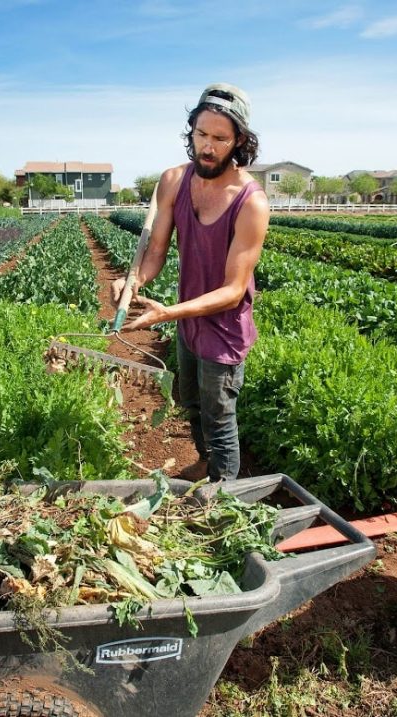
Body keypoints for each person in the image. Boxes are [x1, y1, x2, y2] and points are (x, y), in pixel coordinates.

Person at [111, 82, 270, 482]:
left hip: (224, 326)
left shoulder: (250, 202)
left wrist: (167, 313)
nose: (208, 147)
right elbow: (156, 253)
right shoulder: (173, 181)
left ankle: (225, 492)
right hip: (187, 321)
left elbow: (234, 291)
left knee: (219, 415)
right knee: (191, 404)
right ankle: (205, 462)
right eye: (201, 134)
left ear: (239, 141)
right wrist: (133, 281)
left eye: (220, 138)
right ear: (191, 131)